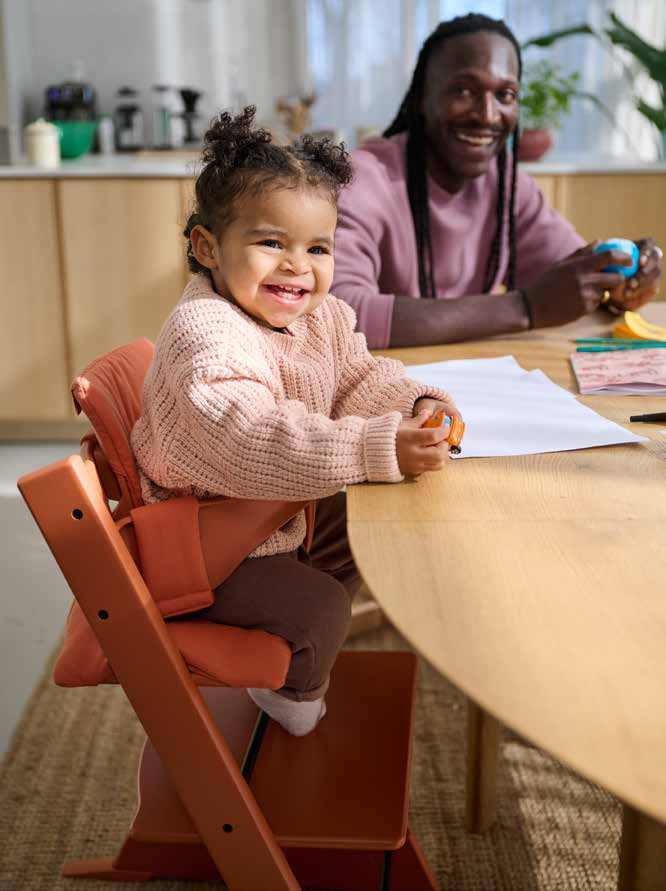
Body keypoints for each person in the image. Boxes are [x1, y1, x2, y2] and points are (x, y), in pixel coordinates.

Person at [131, 107, 460, 736]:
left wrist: (412, 405)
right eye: (270, 243)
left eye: (317, 248)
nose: (297, 267)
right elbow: (254, 437)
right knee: (322, 610)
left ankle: (300, 595)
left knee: (371, 524)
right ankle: (294, 697)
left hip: (274, 512)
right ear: (207, 248)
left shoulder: (321, 316)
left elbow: (359, 380)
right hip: (207, 545)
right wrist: (375, 446)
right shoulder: (207, 333)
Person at [332, 13, 663, 349]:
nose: (487, 116)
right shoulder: (361, 179)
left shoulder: (508, 186)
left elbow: (570, 283)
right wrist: (525, 307)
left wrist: (617, 284)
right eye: (463, 90)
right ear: (420, 99)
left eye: (505, 95)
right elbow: (338, 313)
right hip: (381, 388)